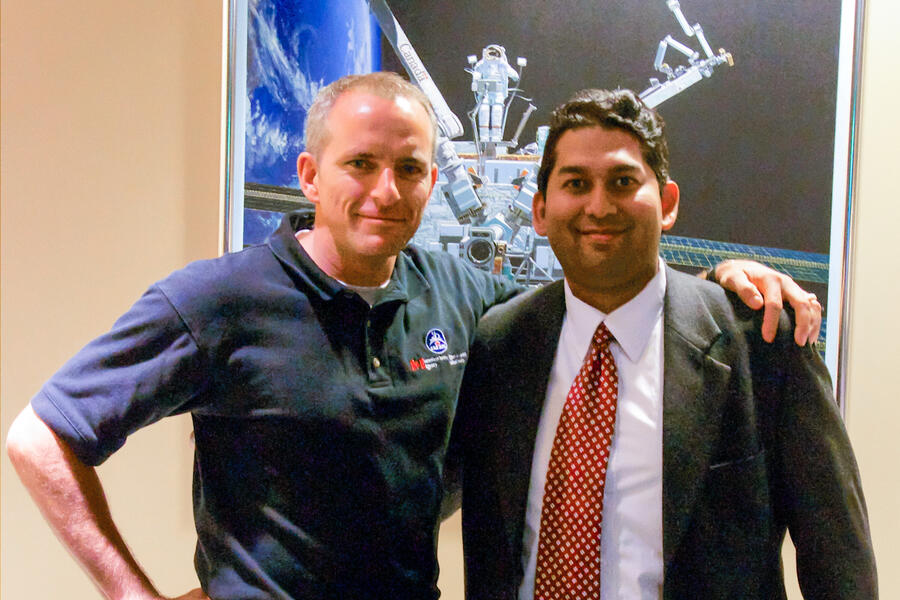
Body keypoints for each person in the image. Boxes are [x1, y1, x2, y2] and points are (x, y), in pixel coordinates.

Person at [6, 73, 821, 600]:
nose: (384, 191)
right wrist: (130, 594)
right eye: (361, 164)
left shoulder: (468, 297)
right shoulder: (217, 300)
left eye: (411, 168)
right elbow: (40, 437)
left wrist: (723, 275)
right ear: (310, 175)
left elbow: (601, 292)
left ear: (436, 180)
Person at [454, 89, 876, 599]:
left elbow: (839, 559)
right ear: (541, 210)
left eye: (623, 181)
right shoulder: (500, 344)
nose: (599, 204)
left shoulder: (762, 341)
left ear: (668, 204)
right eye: (576, 183)